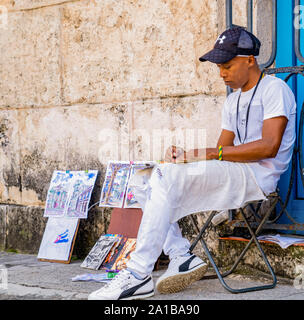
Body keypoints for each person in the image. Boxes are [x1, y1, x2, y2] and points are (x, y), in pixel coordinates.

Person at [88, 26, 296, 300]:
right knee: (144, 176)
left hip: (258, 177)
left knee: (166, 176)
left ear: (250, 60)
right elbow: (223, 150)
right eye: (219, 67)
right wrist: (186, 156)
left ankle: (138, 274)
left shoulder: (274, 89)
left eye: (228, 66)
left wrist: (206, 154)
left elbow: (268, 147)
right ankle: (180, 255)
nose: (222, 74)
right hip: (234, 171)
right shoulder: (232, 101)